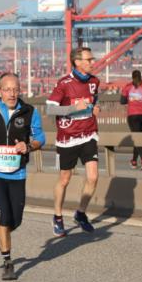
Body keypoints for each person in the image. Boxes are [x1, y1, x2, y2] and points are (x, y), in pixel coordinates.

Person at [0, 72, 45, 280]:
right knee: (4, 213)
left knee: (16, 219)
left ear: (20, 90)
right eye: (7, 89)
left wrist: (28, 145)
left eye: (15, 89)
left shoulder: (29, 112)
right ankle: (8, 262)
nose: (12, 94)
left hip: (17, 172)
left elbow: (40, 138)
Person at [46, 46, 101, 236]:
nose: (92, 62)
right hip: (67, 138)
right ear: (77, 62)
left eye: (92, 59)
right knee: (65, 179)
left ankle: (81, 213)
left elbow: (94, 99)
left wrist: (95, 108)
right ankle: (58, 216)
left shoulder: (94, 81)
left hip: (88, 134)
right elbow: (50, 109)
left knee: (93, 177)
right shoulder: (64, 83)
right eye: (89, 60)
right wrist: (72, 108)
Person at [120, 70, 142, 170]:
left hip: (132, 115)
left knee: (136, 137)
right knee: (138, 136)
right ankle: (134, 161)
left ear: (132, 77)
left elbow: (122, 101)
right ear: (141, 77)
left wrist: (131, 99)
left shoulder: (127, 87)